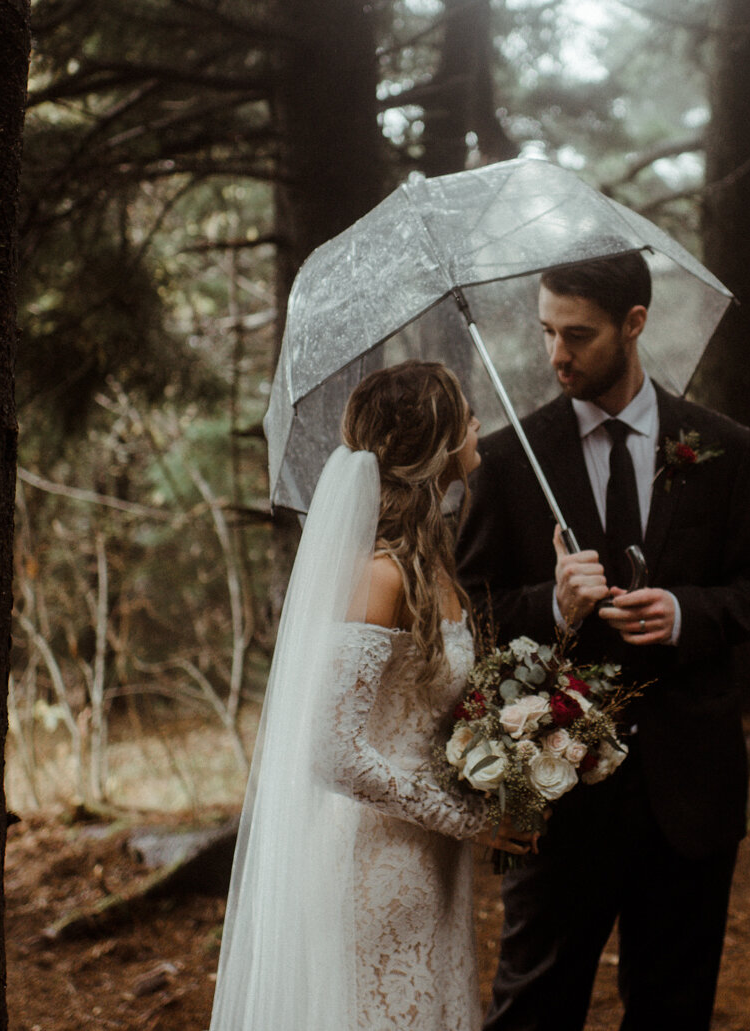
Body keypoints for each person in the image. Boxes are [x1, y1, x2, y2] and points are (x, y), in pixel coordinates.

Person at [457, 252, 750, 1031]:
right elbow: (469, 613)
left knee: (674, 1011)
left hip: (692, 791)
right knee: (533, 1005)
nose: (556, 354)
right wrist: (554, 605)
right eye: (546, 332)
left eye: (578, 334)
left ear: (634, 324)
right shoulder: (509, 460)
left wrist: (683, 612)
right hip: (556, 788)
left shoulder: (721, 446)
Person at [210, 361, 533, 1031]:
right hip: (372, 864)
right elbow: (332, 752)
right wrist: (468, 818)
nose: (478, 423)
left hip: (427, 859)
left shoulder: (432, 562)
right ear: (435, 440)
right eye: (464, 413)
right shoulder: (380, 576)